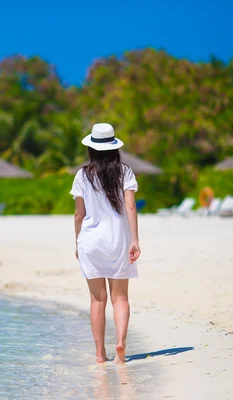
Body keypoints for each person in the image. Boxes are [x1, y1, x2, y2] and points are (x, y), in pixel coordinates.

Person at [70, 123, 141, 365]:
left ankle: (100, 354)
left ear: (91, 148)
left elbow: (79, 214)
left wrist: (77, 242)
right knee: (120, 298)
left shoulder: (82, 175)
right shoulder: (125, 172)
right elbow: (131, 207)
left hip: (91, 240)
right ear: (114, 147)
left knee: (97, 300)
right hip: (118, 239)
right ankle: (120, 342)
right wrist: (135, 239)